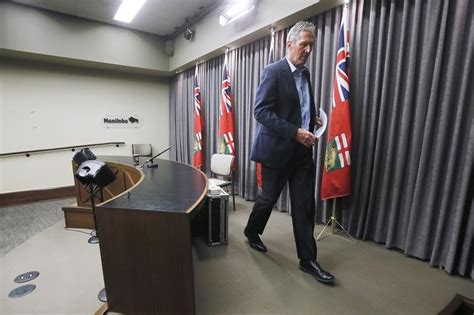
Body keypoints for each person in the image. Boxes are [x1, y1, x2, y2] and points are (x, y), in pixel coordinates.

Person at [244, 21, 335, 284]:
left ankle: (308, 260)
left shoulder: (305, 74)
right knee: (267, 199)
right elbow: (261, 112)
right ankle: (252, 231)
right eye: (303, 44)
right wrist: (295, 131)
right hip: (277, 151)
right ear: (290, 43)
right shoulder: (273, 71)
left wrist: (312, 119)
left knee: (305, 207)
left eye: (311, 45)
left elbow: (298, 106)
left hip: (302, 154)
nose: (307, 49)